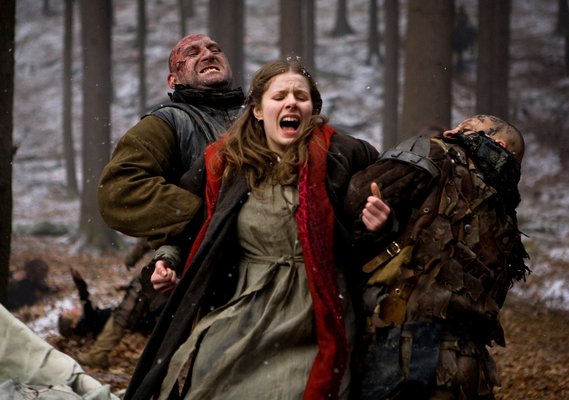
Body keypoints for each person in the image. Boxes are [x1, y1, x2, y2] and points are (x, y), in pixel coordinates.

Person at [123, 58, 390, 400]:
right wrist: (168, 260)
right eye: (279, 96)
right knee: (209, 383)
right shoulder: (224, 163)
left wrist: (380, 224)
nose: (291, 103)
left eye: (300, 97)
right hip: (242, 304)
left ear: (312, 109)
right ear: (259, 111)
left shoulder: (346, 155)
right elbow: (188, 225)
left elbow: (385, 231)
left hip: (316, 307)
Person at [345, 115, 530, 399]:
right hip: (469, 370)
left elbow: (353, 198)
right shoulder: (507, 216)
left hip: (400, 352)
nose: (451, 131)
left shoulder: (437, 153)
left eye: (466, 129)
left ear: (499, 144)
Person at [98, 32, 245, 257]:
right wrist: (206, 216)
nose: (208, 55)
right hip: (210, 264)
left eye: (215, 50)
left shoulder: (261, 114)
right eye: (192, 53)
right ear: (173, 80)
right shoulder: (166, 123)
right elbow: (118, 191)